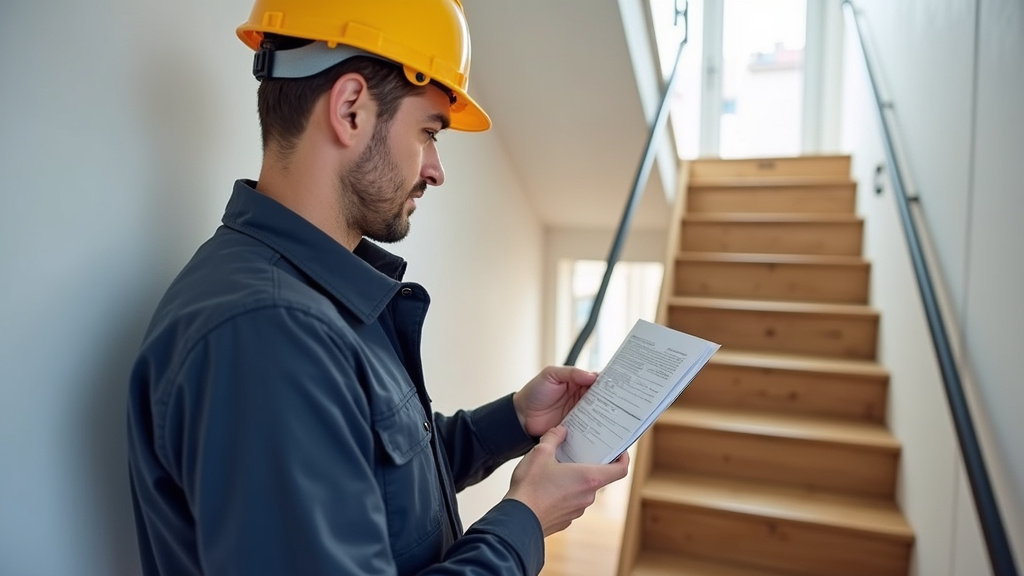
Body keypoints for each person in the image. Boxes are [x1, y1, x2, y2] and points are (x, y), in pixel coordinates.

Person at [125, 1, 630, 575]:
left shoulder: (317, 294)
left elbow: (378, 475)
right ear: (350, 110)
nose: (436, 168)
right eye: (428, 132)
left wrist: (513, 420)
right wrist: (526, 519)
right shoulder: (268, 334)